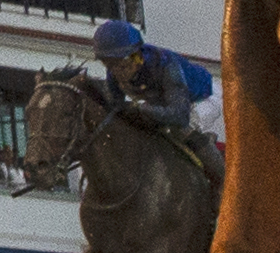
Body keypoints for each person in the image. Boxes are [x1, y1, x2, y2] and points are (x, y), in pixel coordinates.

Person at [90, 18, 224, 189]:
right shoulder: (114, 74)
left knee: (182, 131)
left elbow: (179, 115)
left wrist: (141, 109)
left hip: (202, 98)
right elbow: (115, 111)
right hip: (168, 102)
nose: (116, 71)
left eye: (120, 63)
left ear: (135, 55)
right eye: (108, 64)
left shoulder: (166, 65)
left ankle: (224, 183)